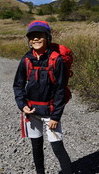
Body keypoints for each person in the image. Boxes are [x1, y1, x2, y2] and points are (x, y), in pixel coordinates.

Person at [13, 21, 73, 174]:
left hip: (50, 112)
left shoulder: (56, 60)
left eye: (39, 36)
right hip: (31, 111)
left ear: (47, 37)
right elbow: (18, 85)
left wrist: (55, 117)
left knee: (58, 147)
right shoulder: (26, 59)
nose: (35, 39)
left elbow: (60, 90)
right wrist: (22, 104)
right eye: (32, 37)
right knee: (36, 146)